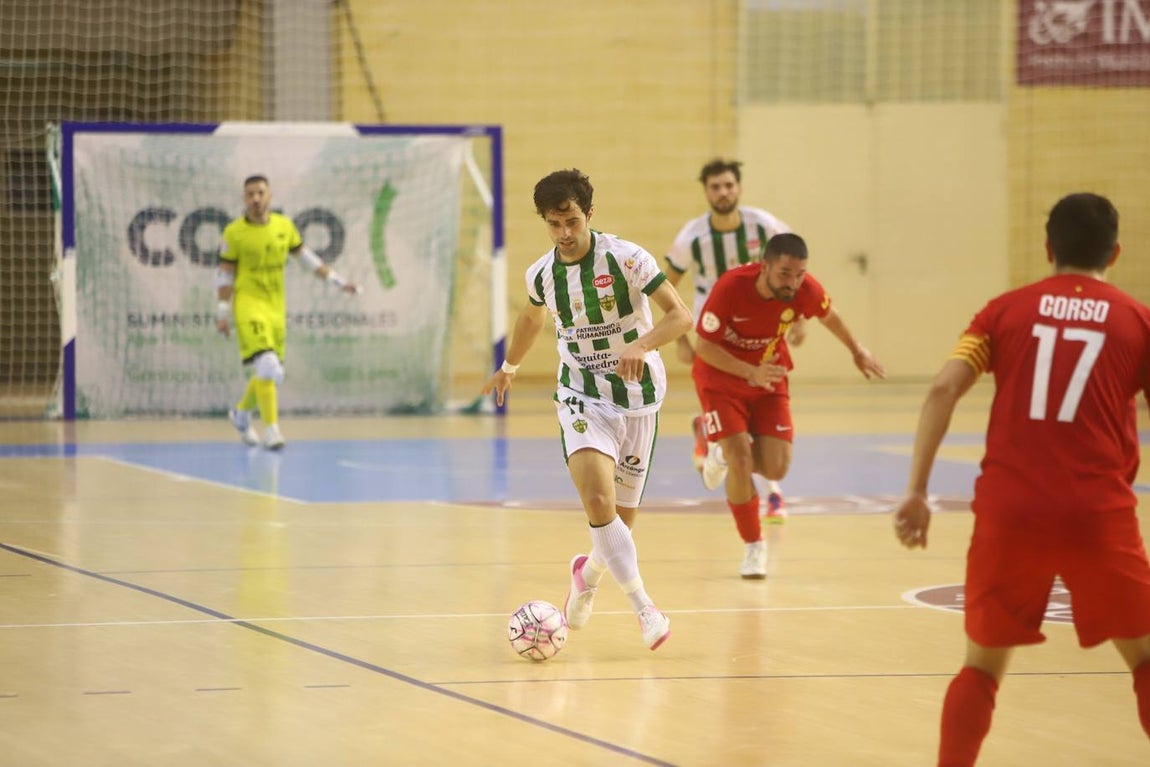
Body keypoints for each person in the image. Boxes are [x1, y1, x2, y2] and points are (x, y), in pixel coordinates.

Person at [892, 192, 1150, 766]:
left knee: (981, 670)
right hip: (1098, 513)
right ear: (1116, 251)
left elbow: (941, 389)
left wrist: (917, 490)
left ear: (1048, 248)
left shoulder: (1004, 312)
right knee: (1146, 663)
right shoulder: (1138, 321)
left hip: (1012, 513)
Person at [482, 168, 692, 650]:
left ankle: (587, 574)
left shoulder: (627, 258)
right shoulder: (541, 273)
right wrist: (510, 364)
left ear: (589, 214)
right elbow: (532, 315)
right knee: (598, 506)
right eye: (554, 224)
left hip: (637, 399)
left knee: (618, 524)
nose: (565, 233)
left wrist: (642, 344)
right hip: (580, 395)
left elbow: (681, 316)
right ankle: (646, 609)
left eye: (572, 221)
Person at [692, 232, 884, 578]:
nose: (793, 283)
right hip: (723, 379)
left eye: (799, 274)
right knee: (741, 459)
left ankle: (719, 451)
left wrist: (857, 350)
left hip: (770, 378)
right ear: (764, 266)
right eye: (784, 274)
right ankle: (754, 545)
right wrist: (750, 371)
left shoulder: (804, 289)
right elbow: (703, 347)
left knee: (776, 469)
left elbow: (830, 316)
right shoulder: (731, 287)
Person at [665, 158, 800, 521]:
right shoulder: (691, 236)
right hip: (713, 335)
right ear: (706, 191)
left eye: (728, 185)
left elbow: (795, 269)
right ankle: (769, 493)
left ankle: (764, 482)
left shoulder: (764, 225)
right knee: (734, 410)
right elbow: (666, 286)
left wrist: (799, 317)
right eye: (715, 187)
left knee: (764, 408)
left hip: (761, 333)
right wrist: (678, 336)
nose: (723, 192)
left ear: (738, 187)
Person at [215, 174, 359, 450]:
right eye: (250, 194)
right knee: (267, 365)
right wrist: (222, 313)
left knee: (271, 372)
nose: (255, 199)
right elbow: (225, 274)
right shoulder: (234, 233)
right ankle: (272, 430)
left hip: (275, 306)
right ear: (244, 199)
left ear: (269, 196)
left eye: (260, 193)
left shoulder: (284, 227)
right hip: (248, 303)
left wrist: (338, 281)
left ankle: (242, 414)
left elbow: (307, 259)